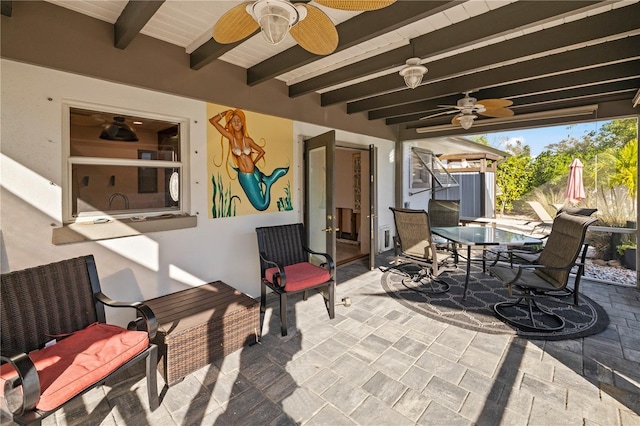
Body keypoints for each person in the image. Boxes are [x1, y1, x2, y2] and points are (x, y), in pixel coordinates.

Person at [209, 108, 288, 211]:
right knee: (261, 206)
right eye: (233, 121)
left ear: (242, 123)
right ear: (231, 124)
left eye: (239, 121)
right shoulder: (231, 138)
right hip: (243, 176)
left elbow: (262, 152)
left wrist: (253, 164)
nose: (236, 123)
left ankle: (267, 182)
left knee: (263, 205)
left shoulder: (248, 140)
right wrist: (225, 113)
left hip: (252, 172)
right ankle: (268, 182)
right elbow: (212, 121)